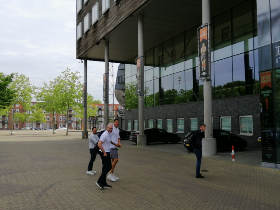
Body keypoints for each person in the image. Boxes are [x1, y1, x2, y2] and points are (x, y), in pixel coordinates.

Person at [96, 124, 113, 189]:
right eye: (109, 128)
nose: (110, 129)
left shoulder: (108, 134)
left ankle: (103, 183)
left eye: (111, 128)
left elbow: (109, 142)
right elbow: (99, 144)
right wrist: (104, 152)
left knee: (105, 167)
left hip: (107, 152)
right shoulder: (105, 134)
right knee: (109, 167)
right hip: (105, 153)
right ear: (106, 128)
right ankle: (99, 181)